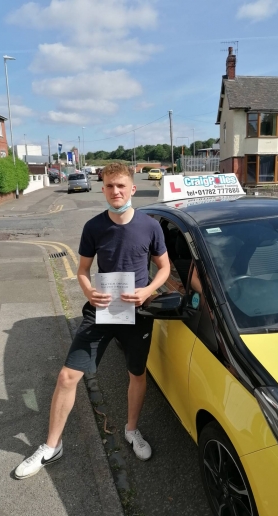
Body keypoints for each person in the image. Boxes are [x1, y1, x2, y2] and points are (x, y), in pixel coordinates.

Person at [15, 163, 170, 479]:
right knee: (67, 376)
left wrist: (148, 291)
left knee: (136, 375)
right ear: (104, 189)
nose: (116, 192)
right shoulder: (93, 227)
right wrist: (88, 290)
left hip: (137, 313)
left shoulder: (150, 227)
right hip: (101, 311)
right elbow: (83, 271)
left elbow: (164, 269)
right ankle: (51, 446)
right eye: (110, 186)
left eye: (121, 186)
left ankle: (131, 431)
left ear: (132, 189)